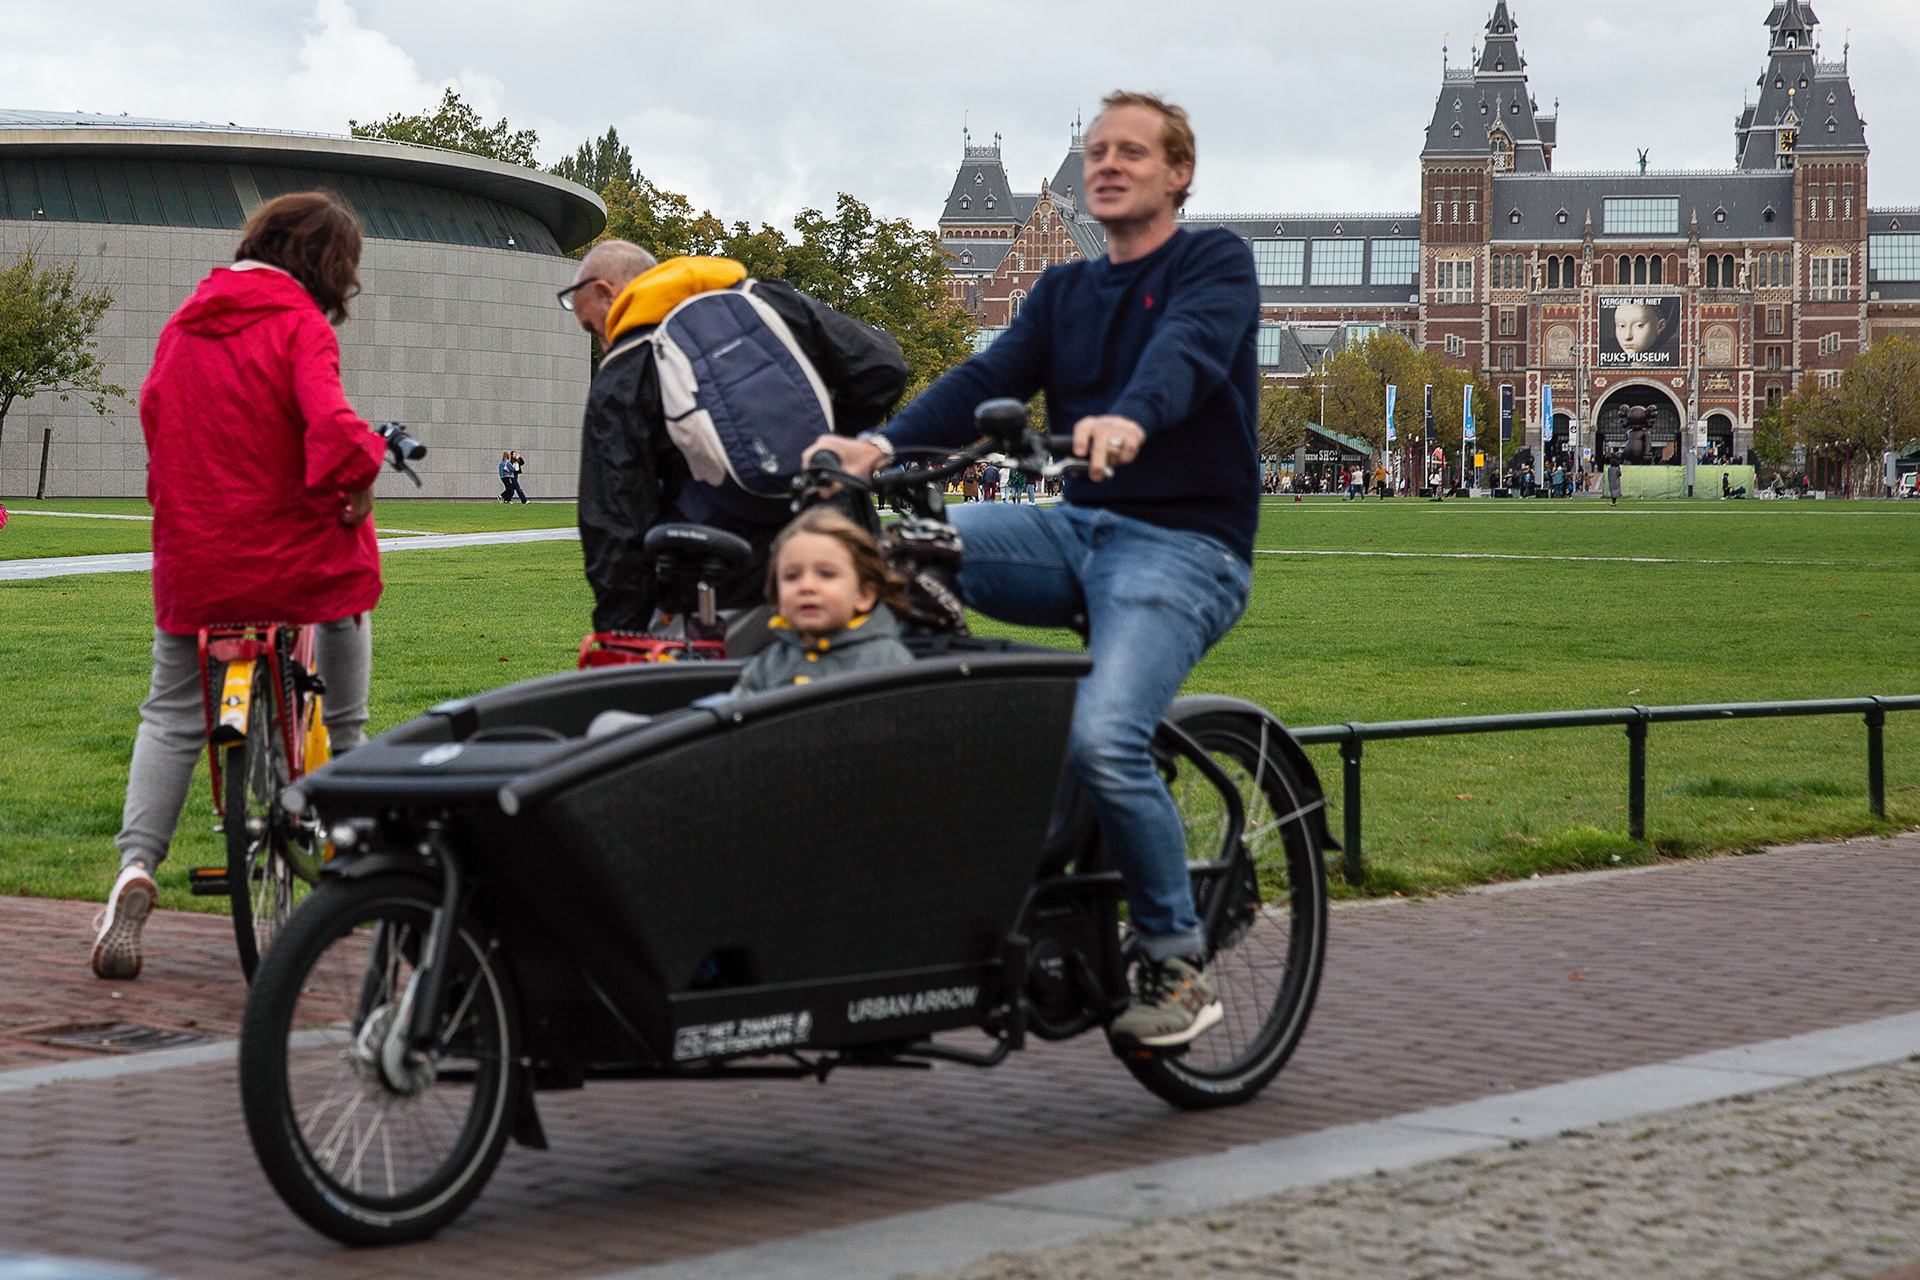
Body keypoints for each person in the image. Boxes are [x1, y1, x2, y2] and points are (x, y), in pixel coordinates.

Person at [803, 91, 1255, 1049]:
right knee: (887, 562)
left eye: (1133, 151)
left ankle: (1175, 959)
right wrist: (877, 449)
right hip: (1074, 528)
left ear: (1178, 173)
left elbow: (1189, 350)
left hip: (1183, 548)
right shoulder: (1062, 293)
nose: (1107, 164)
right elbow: (983, 380)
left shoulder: (1214, 263)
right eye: (1096, 151)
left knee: (1106, 736)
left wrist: (1133, 415)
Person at [94, 192, 386, 980]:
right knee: (346, 695)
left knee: (170, 714)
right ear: (329, 266)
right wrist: (361, 475)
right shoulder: (299, 326)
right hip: (295, 560)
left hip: (201, 561)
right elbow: (329, 425)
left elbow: (158, 421)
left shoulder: (187, 320)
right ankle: (349, 847)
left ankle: (135, 867)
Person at [560, 240, 906, 636]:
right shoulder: (768, 302)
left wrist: (621, 632)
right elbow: (884, 367)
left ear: (606, 293)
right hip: (837, 557)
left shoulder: (625, 371)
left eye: (594, 330)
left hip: (721, 589)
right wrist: (827, 445)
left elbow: (613, 524)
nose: (604, 346)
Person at [728, 507, 915, 695]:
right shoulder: (766, 665)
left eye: (826, 574)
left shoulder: (888, 662)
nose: (807, 587)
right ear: (776, 597)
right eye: (792, 576)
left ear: (864, 595)